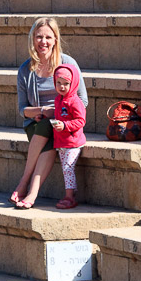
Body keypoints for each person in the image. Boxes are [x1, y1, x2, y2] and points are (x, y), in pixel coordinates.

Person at [10, 17, 88, 209]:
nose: (43, 42)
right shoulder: (25, 70)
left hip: (64, 125)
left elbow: (83, 100)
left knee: (53, 131)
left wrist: (62, 114)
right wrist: (41, 111)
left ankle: (26, 188)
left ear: (55, 40)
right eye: (38, 37)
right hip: (37, 125)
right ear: (32, 39)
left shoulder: (68, 64)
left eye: (48, 37)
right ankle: (28, 189)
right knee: (46, 125)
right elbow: (23, 110)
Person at [51, 64, 86, 210]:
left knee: (67, 168)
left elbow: (81, 121)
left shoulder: (75, 101)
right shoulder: (58, 100)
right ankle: (70, 192)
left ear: (73, 84)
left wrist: (65, 126)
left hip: (73, 142)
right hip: (62, 142)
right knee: (65, 168)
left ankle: (69, 196)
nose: (62, 87)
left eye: (66, 83)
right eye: (58, 83)